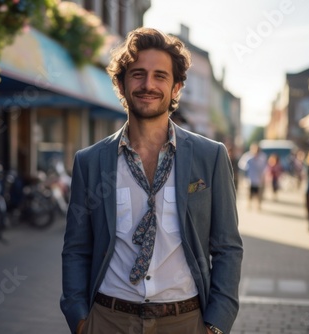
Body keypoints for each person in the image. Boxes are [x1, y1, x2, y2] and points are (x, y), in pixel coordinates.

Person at [60, 27, 243, 334]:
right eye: (138, 74)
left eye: (160, 76)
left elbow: (227, 247)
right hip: (108, 318)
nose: (148, 84)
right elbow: (77, 248)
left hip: (185, 321)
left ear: (176, 87)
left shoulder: (210, 156)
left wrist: (216, 324)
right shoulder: (89, 162)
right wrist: (79, 319)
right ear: (121, 82)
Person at [238, 143, 267, 210]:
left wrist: (263, 176)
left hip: (259, 179)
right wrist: (246, 168)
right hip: (249, 178)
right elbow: (241, 164)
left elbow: (265, 168)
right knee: (249, 193)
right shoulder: (247, 157)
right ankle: (249, 204)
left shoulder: (262, 157)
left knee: (258, 193)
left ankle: (258, 205)